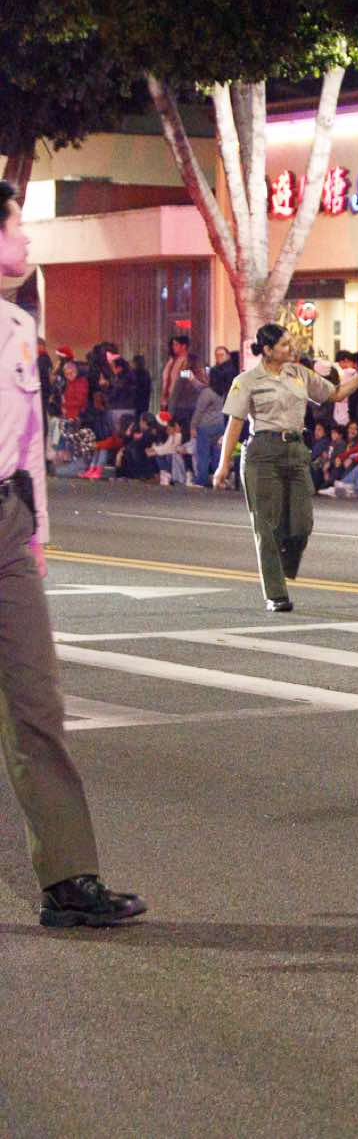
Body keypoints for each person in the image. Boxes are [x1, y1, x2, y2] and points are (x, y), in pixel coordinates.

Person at [0, 180, 147, 928]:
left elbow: (29, 443)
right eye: (16, 225)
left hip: (7, 522)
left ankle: (68, 877)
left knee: (37, 703)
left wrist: (36, 534)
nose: (26, 239)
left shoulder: (18, 325)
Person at [213, 323, 358, 611]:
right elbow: (235, 422)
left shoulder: (299, 374)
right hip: (262, 453)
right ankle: (276, 594)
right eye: (283, 344)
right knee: (267, 526)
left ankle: (280, 563)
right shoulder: (247, 380)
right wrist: (223, 465)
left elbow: (335, 394)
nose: (290, 348)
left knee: (302, 523)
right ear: (267, 350)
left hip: (295, 451)